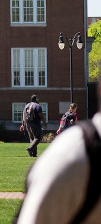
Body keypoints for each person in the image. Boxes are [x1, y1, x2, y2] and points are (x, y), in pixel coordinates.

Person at [17, 83, 101, 223]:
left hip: (29, 124)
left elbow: (23, 116)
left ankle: (32, 152)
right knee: (38, 138)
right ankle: (31, 149)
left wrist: (22, 124)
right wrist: (44, 122)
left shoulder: (26, 106)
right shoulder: (74, 152)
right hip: (37, 124)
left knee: (33, 138)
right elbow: (40, 114)